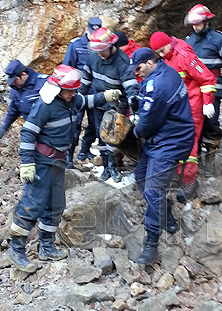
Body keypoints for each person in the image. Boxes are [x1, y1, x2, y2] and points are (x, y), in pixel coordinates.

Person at [8, 64, 122, 273]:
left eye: (74, 91)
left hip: (58, 162)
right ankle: (16, 249)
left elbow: (86, 101)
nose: (73, 94)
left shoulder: (70, 99)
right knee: (33, 204)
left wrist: (105, 95)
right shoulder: (46, 104)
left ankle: (47, 246)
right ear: (59, 88)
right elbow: (27, 133)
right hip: (42, 162)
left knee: (56, 205)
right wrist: (27, 162)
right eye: (70, 91)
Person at [129, 47, 195, 264]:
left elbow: (148, 123)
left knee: (153, 189)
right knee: (141, 174)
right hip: (164, 138)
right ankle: (164, 211)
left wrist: (134, 131)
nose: (136, 72)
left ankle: (152, 242)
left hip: (171, 142)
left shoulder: (158, 84)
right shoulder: (166, 72)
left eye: (138, 67)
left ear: (150, 62)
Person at [149, 31, 216, 203]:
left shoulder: (184, 56)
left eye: (162, 51)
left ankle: (189, 181)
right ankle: (180, 172)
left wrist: (208, 102)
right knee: (177, 140)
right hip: (179, 108)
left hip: (193, 106)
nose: (161, 55)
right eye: (158, 53)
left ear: (168, 43)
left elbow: (207, 78)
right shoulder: (167, 58)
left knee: (189, 143)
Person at [79, 27, 139, 182]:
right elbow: (85, 81)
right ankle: (107, 167)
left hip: (117, 106)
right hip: (99, 103)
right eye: (97, 51)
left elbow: (131, 87)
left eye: (102, 51)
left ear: (111, 46)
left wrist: (130, 109)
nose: (100, 55)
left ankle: (115, 165)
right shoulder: (93, 57)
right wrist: (78, 98)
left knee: (114, 138)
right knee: (102, 138)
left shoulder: (122, 61)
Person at [184, 4, 222, 177]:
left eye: (198, 23)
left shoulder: (220, 40)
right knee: (193, 123)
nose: (195, 27)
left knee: (211, 122)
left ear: (207, 21)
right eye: (193, 24)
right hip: (193, 90)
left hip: (213, 89)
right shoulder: (189, 41)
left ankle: (210, 156)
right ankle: (195, 155)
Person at [62, 17, 102, 165]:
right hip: (76, 93)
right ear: (87, 29)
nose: (94, 35)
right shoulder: (75, 45)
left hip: (94, 93)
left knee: (93, 124)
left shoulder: (100, 46)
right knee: (74, 123)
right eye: (92, 32)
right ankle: (69, 155)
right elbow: (67, 68)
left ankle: (84, 150)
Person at [0, 59, 48, 139]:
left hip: (49, 132)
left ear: (23, 75)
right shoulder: (15, 89)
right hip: (32, 132)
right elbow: (14, 109)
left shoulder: (44, 83)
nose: (13, 83)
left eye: (15, 80)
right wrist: (3, 127)